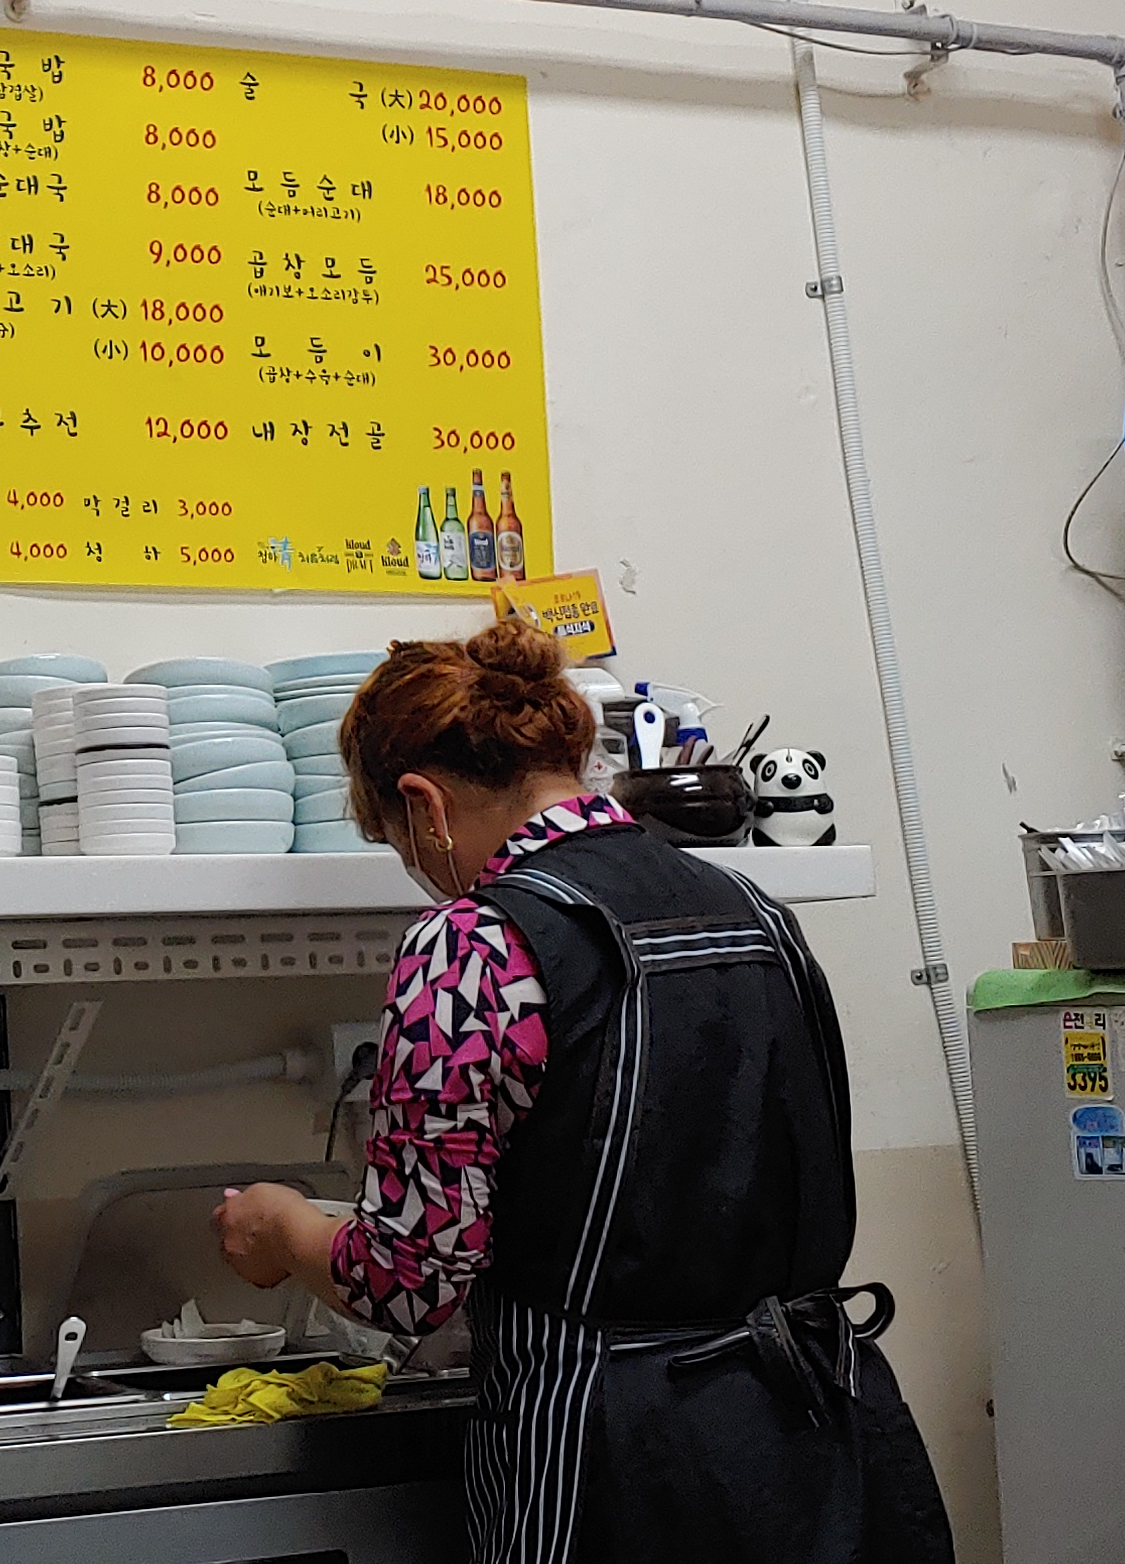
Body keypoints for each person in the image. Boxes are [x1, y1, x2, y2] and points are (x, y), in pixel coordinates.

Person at [213, 620, 951, 1562]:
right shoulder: (755, 910)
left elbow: (407, 1280)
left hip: (616, 1462)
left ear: (424, 805)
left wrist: (281, 1227)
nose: (418, 872)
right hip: (812, 1433)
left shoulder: (471, 946)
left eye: (396, 841)